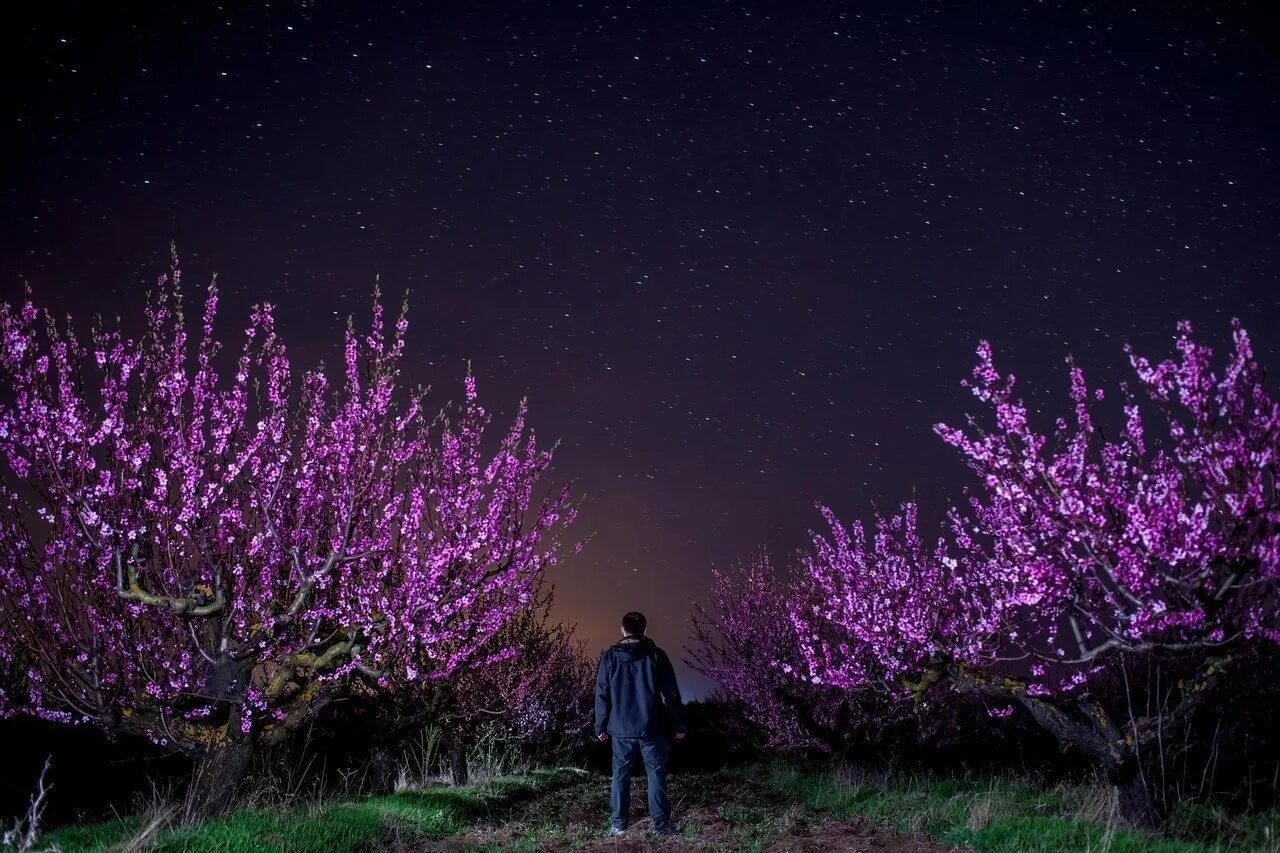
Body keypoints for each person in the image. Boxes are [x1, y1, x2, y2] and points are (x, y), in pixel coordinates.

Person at [594, 610, 687, 837]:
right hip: (652, 727)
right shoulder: (657, 655)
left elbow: (601, 694)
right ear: (645, 630)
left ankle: (619, 825)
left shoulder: (610, 657)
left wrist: (600, 725)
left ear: (622, 630)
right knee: (656, 774)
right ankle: (661, 825)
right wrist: (680, 723)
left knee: (620, 776)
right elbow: (671, 694)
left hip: (620, 728)